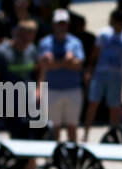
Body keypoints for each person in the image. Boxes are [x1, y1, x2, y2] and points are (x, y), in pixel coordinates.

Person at [82, 9, 122, 140]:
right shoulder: (104, 34)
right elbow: (95, 54)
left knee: (114, 107)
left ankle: (114, 134)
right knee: (93, 103)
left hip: (116, 76)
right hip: (100, 74)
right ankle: (86, 133)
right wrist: (89, 71)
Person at [37, 8, 86, 142]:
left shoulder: (75, 42)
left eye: (63, 23)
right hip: (52, 90)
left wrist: (57, 63)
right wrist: (66, 61)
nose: (61, 26)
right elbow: (45, 65)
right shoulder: (45, 42)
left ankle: (72, 157)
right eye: (59, 23)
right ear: (53, 24)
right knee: (54, 128)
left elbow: (79, 65)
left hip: (73, 89)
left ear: (68, 24)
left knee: (72, 127)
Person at [0, 20, 39, 136]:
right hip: (9, 105)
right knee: (17, 137)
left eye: (29, 39)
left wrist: (39, 90)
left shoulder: (32, 50)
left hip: (29, 102)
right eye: (23, 38)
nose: (26, 42)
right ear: (17, 34)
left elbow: (38, 72)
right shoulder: (1, 53)